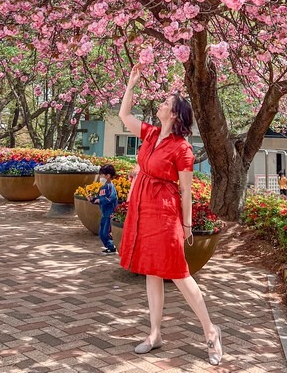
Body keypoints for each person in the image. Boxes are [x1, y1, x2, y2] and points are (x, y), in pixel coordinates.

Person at [119, 64, 223, 366]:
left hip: (165, 212)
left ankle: (210, 331)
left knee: (178, 273)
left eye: (167, 104)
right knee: (151, 271)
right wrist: (131, 84)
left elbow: (186, 191)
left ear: (175, 114)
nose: (161, 105)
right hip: (143, 207)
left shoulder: (183, 149)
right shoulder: (151, 135)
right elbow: (124, 117)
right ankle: (154, 334)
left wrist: (187, 223)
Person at [91, 164, 118, 254]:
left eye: (102, 175)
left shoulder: (111, 187)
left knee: (106, 232)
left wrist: (101, 200)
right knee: (101, 232)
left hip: (110, 213)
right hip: (104, 214)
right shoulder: (102, 188)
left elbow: (111, 198)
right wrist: (93, 199)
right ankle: (109, 246)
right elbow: (99, 199)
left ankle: (112, 247)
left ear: (108, 176)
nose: (100, 177)